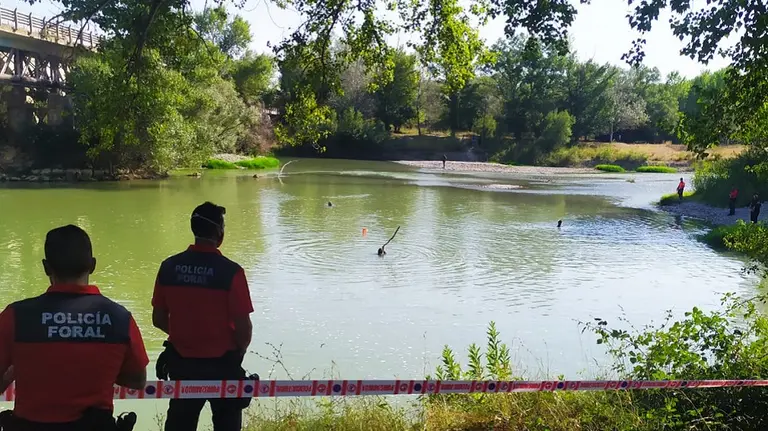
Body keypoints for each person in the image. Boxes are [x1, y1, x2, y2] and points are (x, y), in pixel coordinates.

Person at [0, 225, 148, 430]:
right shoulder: (119, 318)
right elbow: (138, 380)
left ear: (46, 267)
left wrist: (19, 368)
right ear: (93, 265)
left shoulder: (15, 316)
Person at [152, 202, 254, 431]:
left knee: (180, 424)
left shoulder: (169, 267)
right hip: (224, 365)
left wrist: (185, 333)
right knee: (227, 424)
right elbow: (244, 329)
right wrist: (237, 350)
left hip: (182, 364)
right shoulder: (231, 272)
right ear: (219, 231)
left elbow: (158, 318)